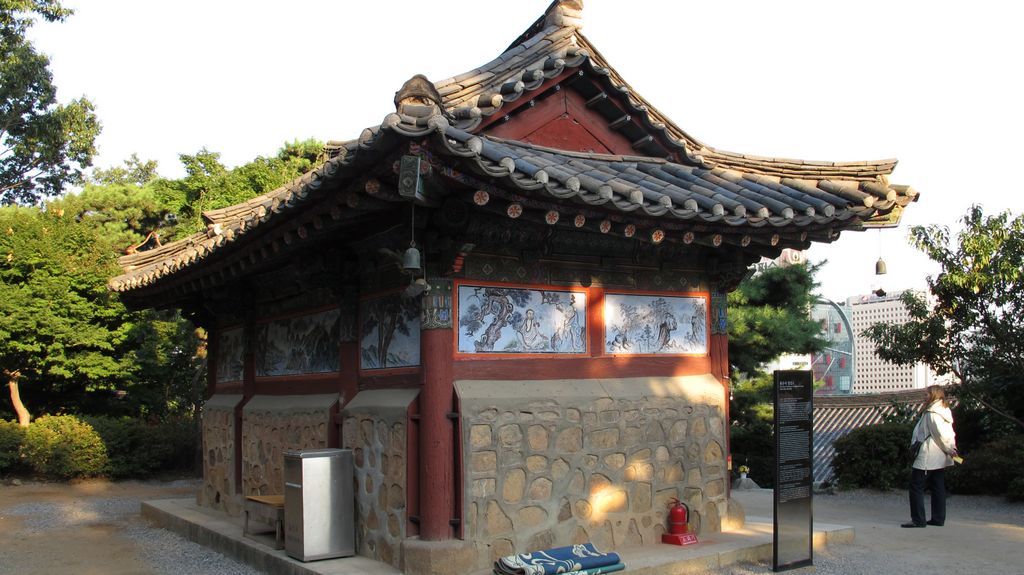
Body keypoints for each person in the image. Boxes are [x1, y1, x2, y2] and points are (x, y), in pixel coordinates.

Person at [902, 385, 958, 528]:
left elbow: (938, 434)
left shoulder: (932, 412)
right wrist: (952, 448)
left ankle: (918, 519)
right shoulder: (945, 411)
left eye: (926, 394)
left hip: (929, 453)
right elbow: (949, 434)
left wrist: (948, 449)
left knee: (916, 486)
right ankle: (938, 518)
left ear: (934, 395)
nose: (924, 396)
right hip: (940, 455)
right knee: (938, 486)